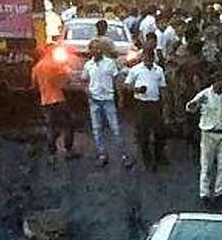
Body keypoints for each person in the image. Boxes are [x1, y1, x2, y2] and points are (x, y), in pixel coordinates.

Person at [186, 70, 222, 208]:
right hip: (208, 134)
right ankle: (204, 194)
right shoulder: (204, 95)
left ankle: (219, 193)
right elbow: (190, 107)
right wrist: (195, 104)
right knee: (206, 165)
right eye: (221, 81)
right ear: (214, 82)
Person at [81, 39, 130, 167]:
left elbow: (117, 81)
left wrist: (120, 97)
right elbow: (84, 80)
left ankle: (124, 156)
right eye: (94, 48)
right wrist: (88, 92)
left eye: (98, 48)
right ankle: (102, 154)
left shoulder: (110, 63)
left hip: (108, 100)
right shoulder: (88, 65)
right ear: (90, 50)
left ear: (102, 50)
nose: (96, 51)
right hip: (94, 101)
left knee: (116, 129)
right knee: (97, 130)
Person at [125, 48, 168, 171]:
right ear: (143, 57)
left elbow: (162, 87)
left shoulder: (159, 70)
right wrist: (137, 90)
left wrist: (164, 103)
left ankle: (159, 155)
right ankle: (147, 160)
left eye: (151, 57)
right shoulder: (135, 70)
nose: (149, 59)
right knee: (144, 133)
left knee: (160, 131)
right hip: (141, 104)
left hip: (155, 103)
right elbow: (127, 85)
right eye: (146, 57)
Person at [31, 43, 76, 160]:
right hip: (58, 99)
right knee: (68, 124)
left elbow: (33, 85)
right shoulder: (56, 65)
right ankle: (68, 150)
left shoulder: (36, 67)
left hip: (45, 101)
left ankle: (52, 154)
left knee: (51, 127)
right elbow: (65, 81)